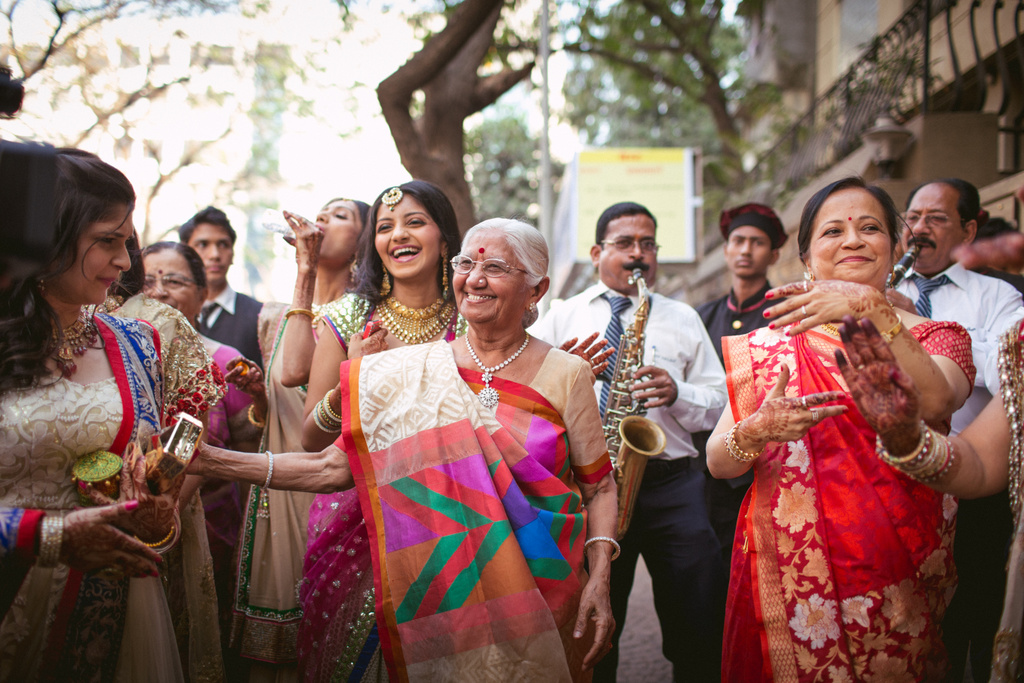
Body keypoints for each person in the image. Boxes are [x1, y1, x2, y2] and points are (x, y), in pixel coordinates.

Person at [190, 217, 617, 682]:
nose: (473, 279)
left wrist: (600, 579)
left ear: (537, 290)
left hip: (543, 590)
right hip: (437, 597)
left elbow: (599, 488)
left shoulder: (568, 374)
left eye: (494, 267)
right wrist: (214, 460)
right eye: (465, 264)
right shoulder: (409, 369)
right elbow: (333, 469)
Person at [707, 176, 977, 681]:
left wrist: (870, 308)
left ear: (895, 247)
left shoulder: (939, 336)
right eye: (833, 231)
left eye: (870, 228)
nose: (852, 239)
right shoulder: (773, 345)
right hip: (792, 576)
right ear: (807, 258)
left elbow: (937, 398)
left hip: (900, 568)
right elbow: (719, 464)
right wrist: (757, 429)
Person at [0, 148, 183, 681]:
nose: (127, 262)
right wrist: (53, 537)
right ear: (50, 236)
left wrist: (155, 520)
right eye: (107, 240)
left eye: (128, 242)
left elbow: (151, 485)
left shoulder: (138, 344)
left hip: (101, 610)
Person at [530, 201, 729, 682]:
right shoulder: (562, 316)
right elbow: (523, 394)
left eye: (648, 244)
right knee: (593, 626)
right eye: (625, 243)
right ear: (598, 252)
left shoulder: (681, 316)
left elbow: (722, 400)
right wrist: (568, 377)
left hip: (673, 485)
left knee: (698, 617)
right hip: (590, 487)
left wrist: (677, 392)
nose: (638, 254)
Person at [298, 181, 464, 682]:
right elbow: (309, 437)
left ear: (444, 236)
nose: (398, 236)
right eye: (385, 227)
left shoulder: (472, 315)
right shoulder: (348, 317)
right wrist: (351, 381)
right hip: (358, 518)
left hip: (455, 515)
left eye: (415, 222)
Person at [231, 196, 368, 681]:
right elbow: (279, 401)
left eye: (341, 216)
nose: (324, 221)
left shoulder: (361, 317)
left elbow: (294, 373)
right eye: (323, 212)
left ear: (363, 242)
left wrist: (305, 270)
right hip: (269, 476)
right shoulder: (273, 316)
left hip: (324, 484)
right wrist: (256, 396)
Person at [895, 178, 1024, 680]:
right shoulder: (876, 289)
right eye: (912, 218)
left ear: (969, 230)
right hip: (899, 488)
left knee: (975, 614)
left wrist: (919, 331)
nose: (919, 230)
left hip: (978, 490)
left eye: (937, 218)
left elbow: (1003, 374)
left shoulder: (999, 296)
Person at [141, 240, 265, 668]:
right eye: (146, 281)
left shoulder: (218, 363)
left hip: (208, 533)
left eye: (173, 280)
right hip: (130, 525)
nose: (158, 291)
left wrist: (167, 506)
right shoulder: (114, 355)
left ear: (201, 293)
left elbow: (209, 441)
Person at [697, 202, 786, 566]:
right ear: (726, 250)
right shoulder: (704, 315)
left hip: (765, 465)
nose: (746, 250)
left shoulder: (785, 311)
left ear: (775, 254)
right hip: (707, 467)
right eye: (738, 240)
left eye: (758, 242)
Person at [180, 206, 265, 370]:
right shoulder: (173, 311)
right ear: (185, 252)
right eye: (203, 244)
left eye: (223, 245)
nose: (215, 255)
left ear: (232, 253)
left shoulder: (259, 316)